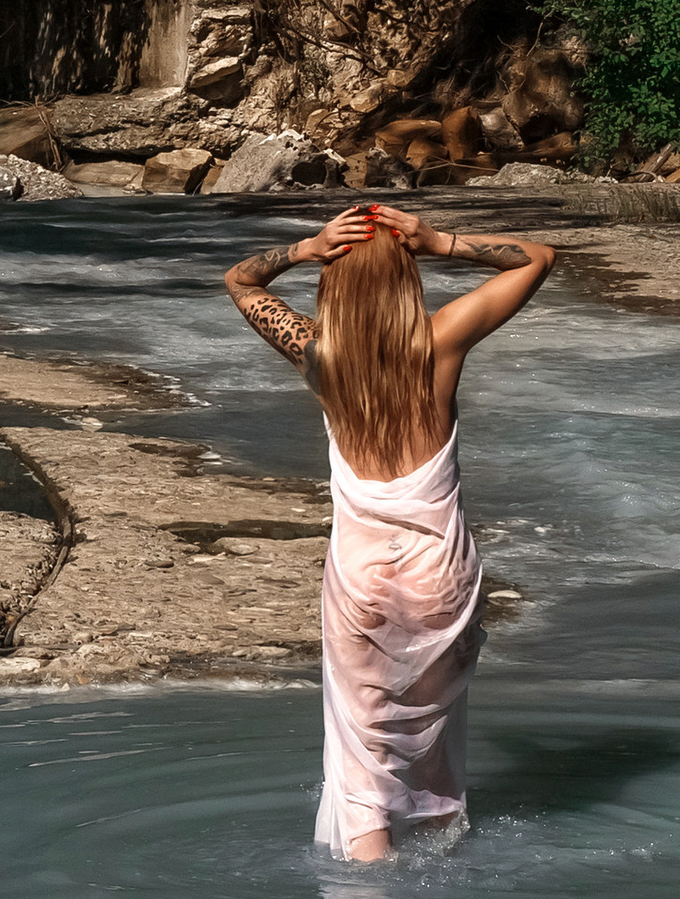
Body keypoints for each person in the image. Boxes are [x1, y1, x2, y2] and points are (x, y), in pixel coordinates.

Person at [223, 203, 558, 862]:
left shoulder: (317, 353)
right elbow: (538, 257)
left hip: (361, 579)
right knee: (435, 748)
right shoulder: (442, 339)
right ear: (409, 278)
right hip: (442, 574)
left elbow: (239, 281)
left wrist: (305, 248)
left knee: (363, 757)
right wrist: (441, 240)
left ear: (332, 281)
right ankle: (442, 891)